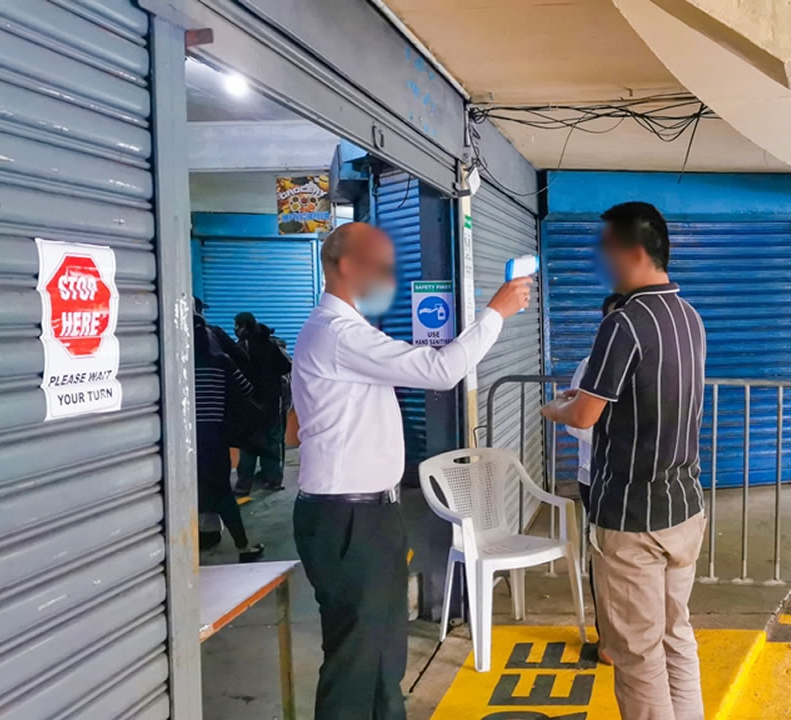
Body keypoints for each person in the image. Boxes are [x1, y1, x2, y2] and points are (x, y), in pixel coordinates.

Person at [292, 221, 531, 720]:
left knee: (383, 653)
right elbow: (441, 370)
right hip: (347, 519)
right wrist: (496, 312)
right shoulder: (336, 334)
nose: (389, 274)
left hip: (368, 515)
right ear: (348, 266)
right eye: (379, 263)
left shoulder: (350, 333)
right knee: (356, 659)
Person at [541, 202, 706, 720]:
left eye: (607, 251)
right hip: (684, 508)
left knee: (637, 654)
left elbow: (585, 416)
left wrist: (556, 407)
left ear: (634, 252)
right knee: (675, 635)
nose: (601, 262)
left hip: (633, 515)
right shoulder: (689, 316)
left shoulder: (626, 322)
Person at [562, 292, 624, 664]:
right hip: (596, 476)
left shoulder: (647, 364)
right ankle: (608, 640)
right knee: (601, 555)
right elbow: (576, 423)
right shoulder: (589, 366)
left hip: (635, 479)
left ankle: (638, 636)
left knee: (632, 561)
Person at [193, 307, 265, 563]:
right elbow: (246, 390)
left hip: (181, 442)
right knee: (222, 492)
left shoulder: (175, 365)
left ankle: (202, 536)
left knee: (188, 491)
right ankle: (243, 546)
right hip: (213, 437)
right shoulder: (221, 361)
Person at [233, 311, 292, 493]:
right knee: (272, 443)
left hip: (250, 403)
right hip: (272, 403)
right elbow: (286, 366)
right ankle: (273, 480)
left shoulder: (243, 347)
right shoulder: (270, 344)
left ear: (244, 327)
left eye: (237, 326)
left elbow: (235, 373)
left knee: (249, 446)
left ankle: (244, 485)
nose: (235, 329)